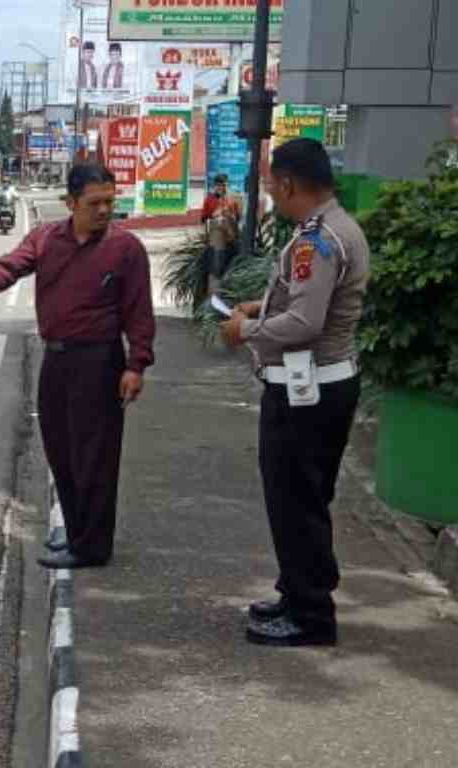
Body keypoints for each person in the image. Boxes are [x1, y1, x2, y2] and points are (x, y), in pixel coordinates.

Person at [0, 164, 155, 569]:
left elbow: (139, 313)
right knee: (61, 451)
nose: (105, 210)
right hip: (55, 360)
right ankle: (75, 533)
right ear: (70, 203)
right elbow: (7, 268)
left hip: (100, 362)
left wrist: (136, 364)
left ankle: (92, 547)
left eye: (111, 201)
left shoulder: (125, 250)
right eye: (95, 203)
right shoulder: (46, 240)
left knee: (95, 457)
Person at [221, 138, 370, 648]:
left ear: (286, 184)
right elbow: (303, 303)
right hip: (321, 387)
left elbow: (306, 322)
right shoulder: (335, 227)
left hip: (307, 393)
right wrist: (258, 308)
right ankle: (296, 593)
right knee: (301, 500)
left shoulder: (317, 239)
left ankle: (310, 615)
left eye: (270, 185)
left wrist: (246, 332)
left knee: (297, 503)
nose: (270, 194)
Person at [201, 173, 243, 294]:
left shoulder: (232, 199)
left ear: (227, 185)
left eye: (223, 185)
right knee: (216, 269)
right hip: (216, 241)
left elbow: (238, 218)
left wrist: (230, 218)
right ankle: (213, 295)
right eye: (219, 185)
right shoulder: (210, 199)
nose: (221, 188)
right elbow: (204, 220)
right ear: (215, 186)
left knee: (231, 268)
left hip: (232, 239)